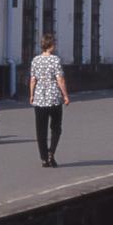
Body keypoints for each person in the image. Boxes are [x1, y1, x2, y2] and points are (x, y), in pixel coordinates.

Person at [29, 34, 71, 168]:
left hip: (40, 98)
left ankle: (43, 158)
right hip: (54, 98)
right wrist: (65, 95)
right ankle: (51, 152)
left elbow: (33, 79)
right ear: (51, 45)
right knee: (56, 128)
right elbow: (60, 79)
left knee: (40, 130)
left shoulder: (35, 60)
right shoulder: (55, 60)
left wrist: (31, 94)